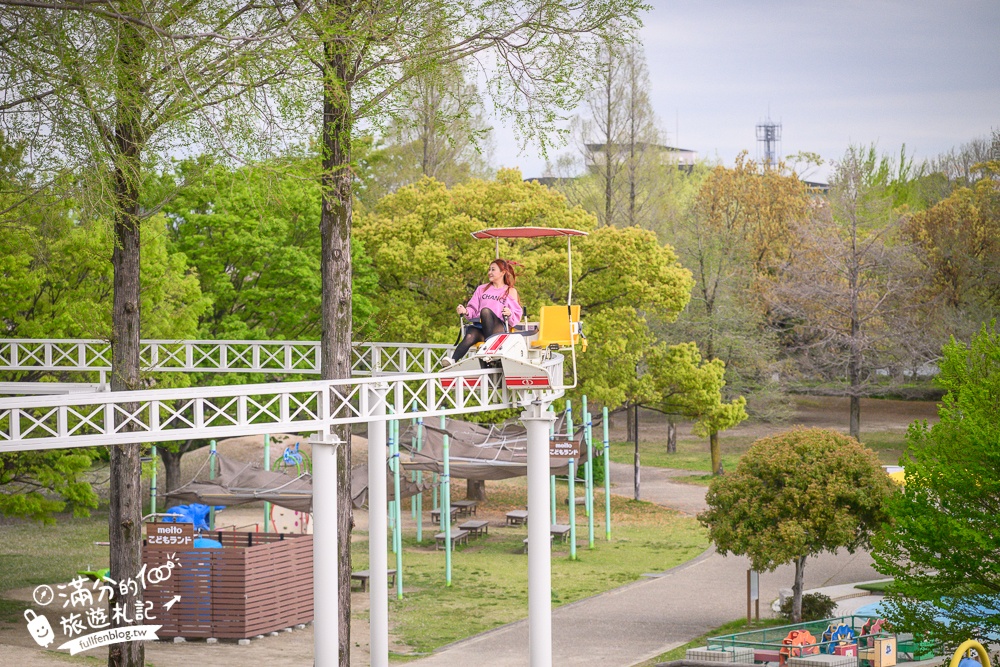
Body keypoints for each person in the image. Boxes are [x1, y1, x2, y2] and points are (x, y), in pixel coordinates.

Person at [442, 258, 523, 367]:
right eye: (489, 269)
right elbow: (473, 308)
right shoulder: (482, 289)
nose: (489, 272)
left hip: (498, 330)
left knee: (485, 312)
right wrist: (465, 311)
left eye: (493, 270)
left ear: (503, 272)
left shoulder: (510, 291)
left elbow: (516, 314)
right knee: (471, 333)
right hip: (482, 329)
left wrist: (509, 313)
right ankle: (452, 360)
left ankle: (488, 350)